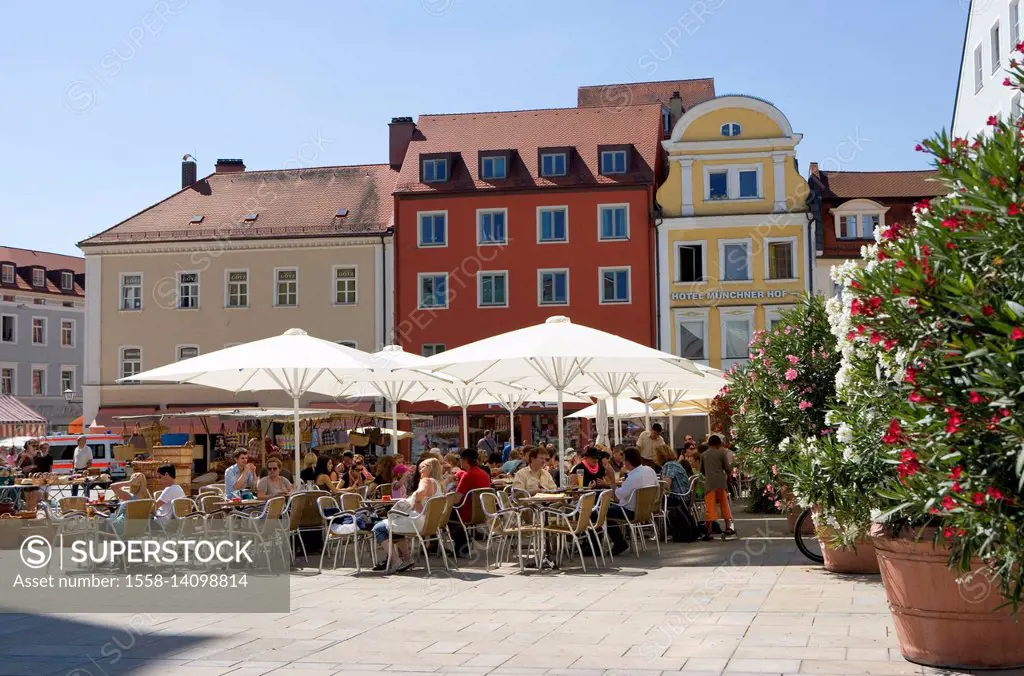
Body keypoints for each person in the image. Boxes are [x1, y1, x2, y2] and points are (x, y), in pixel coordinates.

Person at [371, 457, 444, 572]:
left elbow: (420, 493)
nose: (419, 471)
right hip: (429, 523)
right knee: (393, 526)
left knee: (379, 528)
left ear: (429, 468)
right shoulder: (438, 484)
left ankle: (396, 561)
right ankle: (406, 559)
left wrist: (417, 500)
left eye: (422, 468)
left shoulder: (426, 481)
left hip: (417, 521)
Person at [605, 447, 659, 555]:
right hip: (647, 511)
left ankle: (618, 542)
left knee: (602, 511)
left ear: (628, 462)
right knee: (606, 508)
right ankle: (618, 541)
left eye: (624, 460)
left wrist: (612, 480)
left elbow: (617, 495)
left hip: (630, 512)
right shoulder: (650, 471)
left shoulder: (633, 477)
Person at [448, 447, 492, 557]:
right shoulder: (484, 474)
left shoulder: (467, 475)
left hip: (467, 513)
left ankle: (462, 544)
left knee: (444, 516)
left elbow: (457, 499)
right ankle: (464, 543)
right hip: (482, 512)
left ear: (465, 460)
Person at [701, 434, 735, 539]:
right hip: (721, 483)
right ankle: (728, 527)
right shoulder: (722, 453)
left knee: (710, 506)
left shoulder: (703, 455)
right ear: (718, 444)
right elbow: (728, 468)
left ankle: (709, 531)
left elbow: (702, 470)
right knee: (724, 505)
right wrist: (729, 478)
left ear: (709, 444)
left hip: (709, 484)